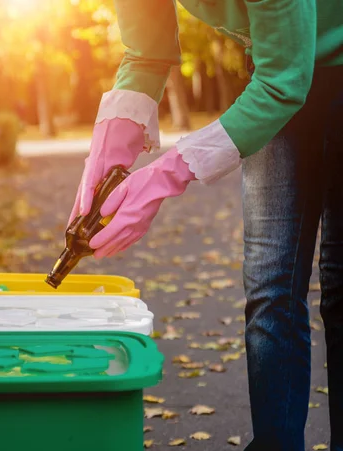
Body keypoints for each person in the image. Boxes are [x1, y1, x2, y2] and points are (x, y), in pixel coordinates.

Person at [67, 0, 343, 449]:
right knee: (271, 282)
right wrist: (107, 145)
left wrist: (165, 175)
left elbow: (283, 85)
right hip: (276, 66)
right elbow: (145, 53)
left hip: (292, 72)